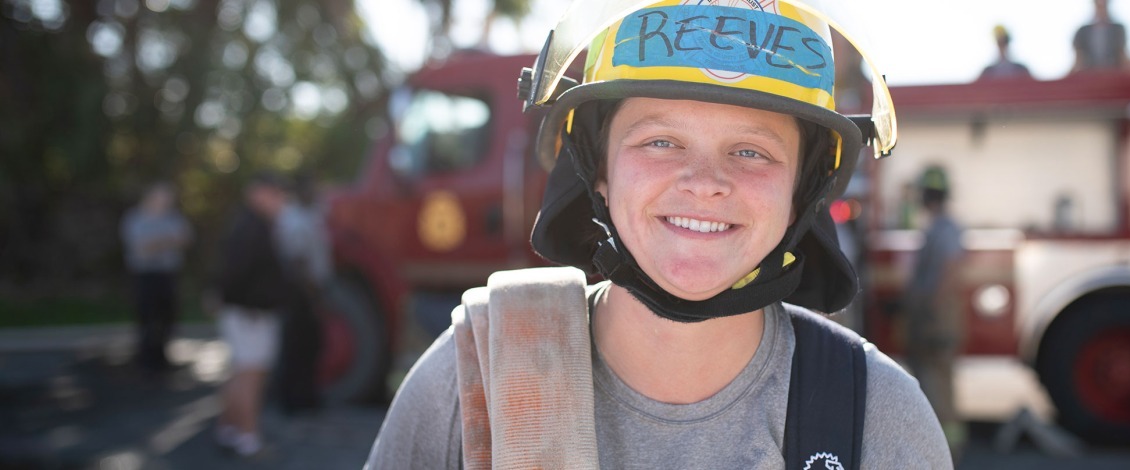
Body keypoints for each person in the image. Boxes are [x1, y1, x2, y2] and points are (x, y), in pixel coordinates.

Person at [366, 1, 951, 468]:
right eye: (660, 141)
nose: (704, 183)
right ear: (597, 165)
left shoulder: (874, 414)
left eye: (751, 151)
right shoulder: (478, 373)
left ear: (803, 189)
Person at [210, 172, 290, 458]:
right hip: (250, 314)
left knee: (240, 370)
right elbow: (237, 273)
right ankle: (248, 437)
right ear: (258, 193)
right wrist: (245, 304)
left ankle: (228, 428)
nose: (281, 200)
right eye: (276, 193)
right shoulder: (253, 228)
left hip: (245, 311)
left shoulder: (249, 224)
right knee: (251, 373)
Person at [903, 165, 967, 462]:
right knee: (932, 382)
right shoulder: (937, 227)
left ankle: (948, 452)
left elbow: (949, 272)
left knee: (938, 385)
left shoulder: (946, 229)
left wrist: (931, 313)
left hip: (937, 322)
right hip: (931, 319)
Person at [273, 170, 332, 415]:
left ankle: (307, 395)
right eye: (312, 188)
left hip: (312, 289)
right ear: (301, 191)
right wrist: (312, 295)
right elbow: (297, 261)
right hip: (299, 291)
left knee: (310, 345)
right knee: (296, 345)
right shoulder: (293, 218)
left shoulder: (311, 213)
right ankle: (292, 399)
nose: (316, 192)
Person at [120, 181, 192, 374]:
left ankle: (162, 357)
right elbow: (142, 248)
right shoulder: (135, 218)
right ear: (151, 196)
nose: (167, 201)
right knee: (147, 316)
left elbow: (185, 239)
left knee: (168, 314)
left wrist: (158, 242)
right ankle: (146, 359)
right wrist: (168, 240)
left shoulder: (173, 217)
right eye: (163, 196)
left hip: (168, 274)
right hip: (145, 275)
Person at [1072, 0, 1128, 71]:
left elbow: (1122, 55)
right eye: (1099, 5)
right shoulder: (1083, 31)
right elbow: (1078, 59)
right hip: (1090, 75)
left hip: (1113, 73)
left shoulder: (1118, 29)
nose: (1101, 7)